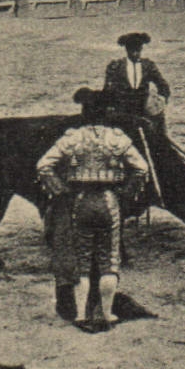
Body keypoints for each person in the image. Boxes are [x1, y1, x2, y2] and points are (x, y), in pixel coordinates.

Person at [35, 89, 152, 332]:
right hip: (109, 201)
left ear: (84, 113)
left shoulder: (73, 138)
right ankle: (107, 314)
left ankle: (80, 315)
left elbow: (43, 165)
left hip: (80, 201)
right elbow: (142, 168)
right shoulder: (117, 138)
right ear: (106, 113)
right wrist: (126, 193)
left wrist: (60, 190)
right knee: (109, 260)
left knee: (83, 261)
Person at [103, 32, 171, 128]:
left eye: (137, 50)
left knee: (157, 130)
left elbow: (162, 85)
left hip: (144, 109)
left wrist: (161, 100)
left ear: (141, 49)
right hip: (123, 110)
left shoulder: (148, 66)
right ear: (127, 50)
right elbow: (107, 90)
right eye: (132, 50)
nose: (135, 54)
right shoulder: (116, 66)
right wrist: (111, 106)